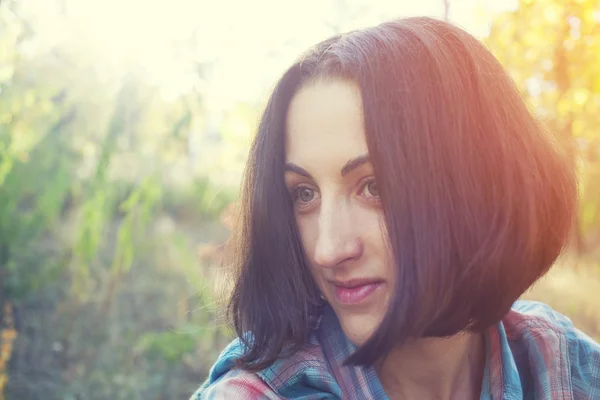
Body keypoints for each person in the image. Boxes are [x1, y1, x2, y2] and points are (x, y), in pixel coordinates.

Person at [191, 17, 600, 399]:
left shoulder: (560, 362)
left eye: (374, 186)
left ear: (477, 184)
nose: (328, 250)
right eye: (305, 194)